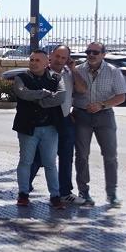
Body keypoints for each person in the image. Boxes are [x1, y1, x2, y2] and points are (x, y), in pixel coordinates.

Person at [72, 41, 126, 206]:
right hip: (82, 116)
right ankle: (84, 191)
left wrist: (102, 105)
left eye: (95, 52)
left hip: (105, 116)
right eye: (88, 52)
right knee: (82, 156)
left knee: (110, 156)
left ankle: (112, 194)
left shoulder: (113, 71)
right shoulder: (78, 71)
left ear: (103, 54)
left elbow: (121, 96)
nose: (91, 55)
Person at [11, 49, 66, 209]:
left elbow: (61, 96)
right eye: (32, 60)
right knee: (25, 161)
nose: (33, 63)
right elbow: (22, 93)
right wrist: (43, 93)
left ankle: (55, 196)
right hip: (27, 127)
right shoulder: (21, 77)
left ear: (46, 63)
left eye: (37, 60)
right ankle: (23, 194)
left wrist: (41, 102)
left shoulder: (56, 78)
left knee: (50, 163)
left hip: (50, 128)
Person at [31, 45, 77, 204]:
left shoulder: (69, 74)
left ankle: (65, 192)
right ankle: (24, 189)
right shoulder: (41, 73)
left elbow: (81, 91)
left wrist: (74, 69)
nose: (60, 60)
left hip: (65, 119)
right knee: (37, 156)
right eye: (57, 56)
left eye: (64, 58)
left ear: (68, 59)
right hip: (45, 121)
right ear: (51, 56)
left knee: (66, 156)